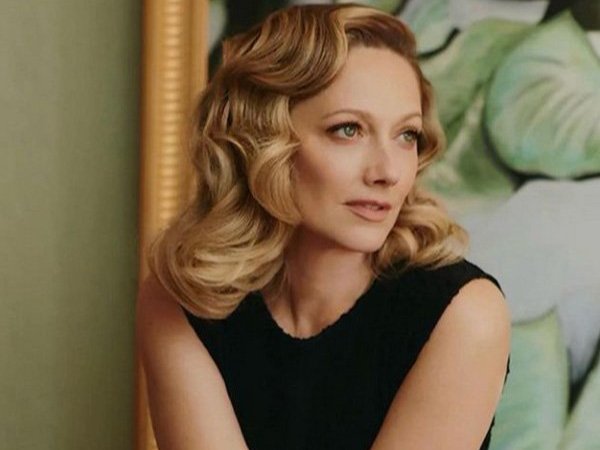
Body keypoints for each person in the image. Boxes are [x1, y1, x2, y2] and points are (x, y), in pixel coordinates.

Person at [136, 4, 511, 450]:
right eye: (348, 130)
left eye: (406, 135)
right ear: (263, 141)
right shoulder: (180, 300)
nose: (388, 172)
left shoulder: (462, 314)